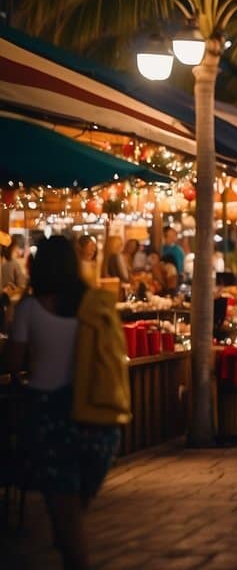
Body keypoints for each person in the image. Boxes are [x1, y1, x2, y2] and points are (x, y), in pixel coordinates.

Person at [5, 236, 121, 570]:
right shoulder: (94, 302)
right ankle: (69, 544)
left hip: (49, 416)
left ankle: (72, 552)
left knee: (65, 513)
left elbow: (13, 361)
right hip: (96, 417)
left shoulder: (28, 307)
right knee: (72, 510)